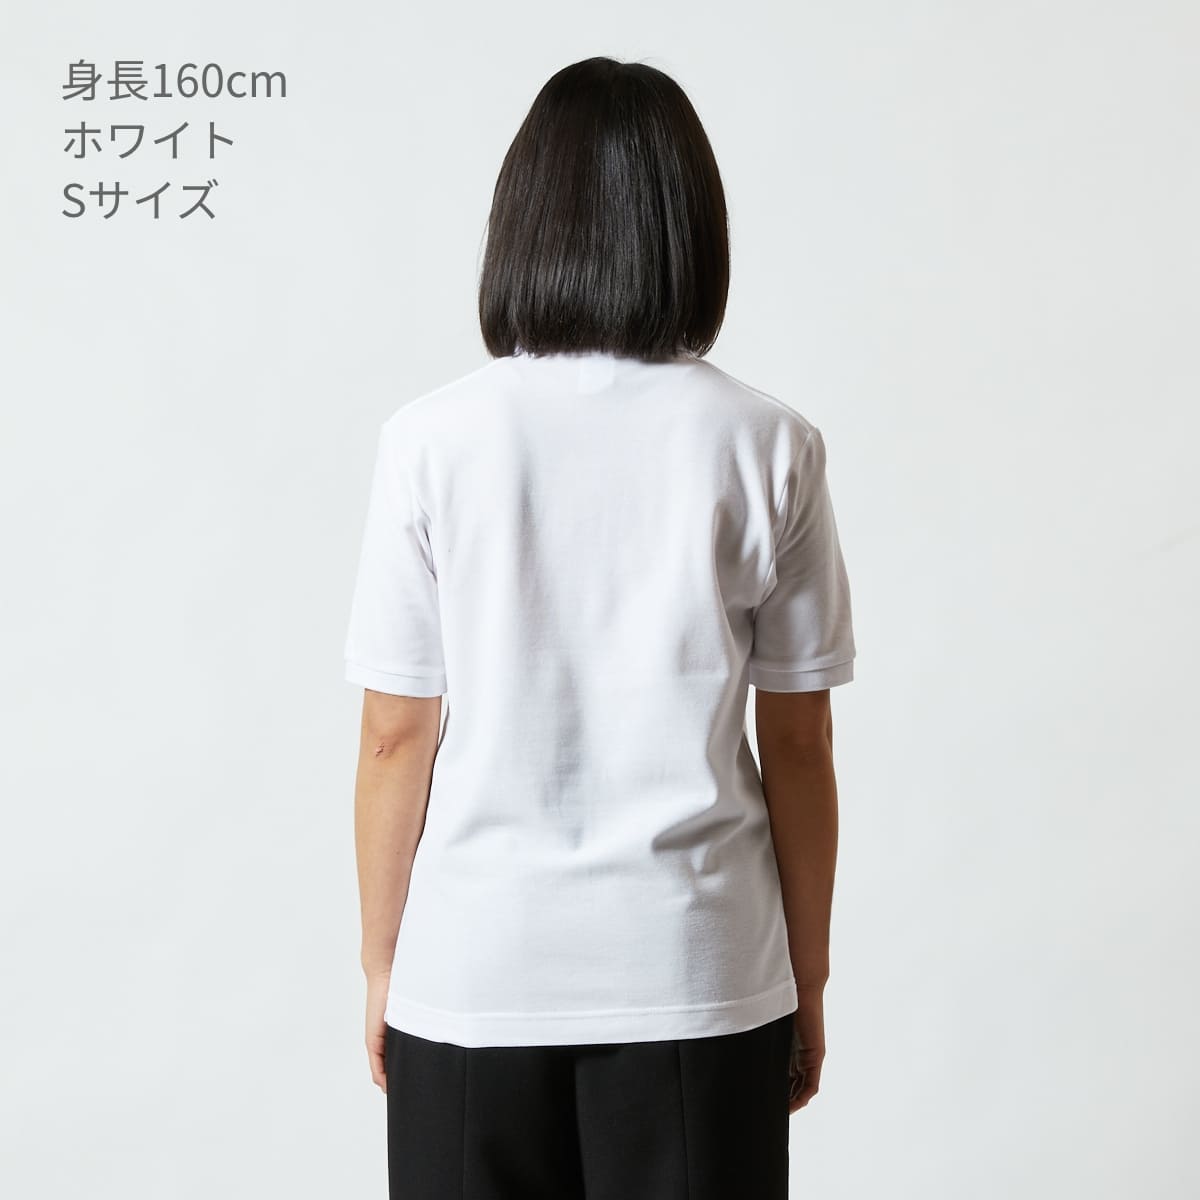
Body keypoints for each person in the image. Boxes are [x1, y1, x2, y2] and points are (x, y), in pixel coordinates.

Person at [344, 54, 856, 1200]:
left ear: (521, 223)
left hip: (473, 974)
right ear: (690, 228)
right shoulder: (770, 444)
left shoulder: (430, 441)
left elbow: (392, 737)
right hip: (700, 971)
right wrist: (808, 978)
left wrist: (384, 964)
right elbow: (800, 743)